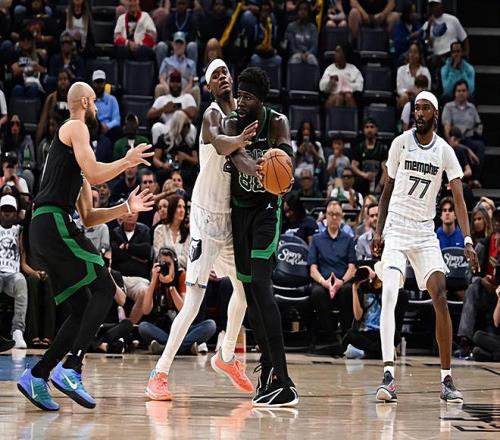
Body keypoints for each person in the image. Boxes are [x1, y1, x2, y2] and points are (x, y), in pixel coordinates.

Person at [16, 81, 154, 412]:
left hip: (47, 227)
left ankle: (37, 375)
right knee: (105, 286)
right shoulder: (75, 126)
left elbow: (90, 216)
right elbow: (94, 173)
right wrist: (126, 161)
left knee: (81, 307)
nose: (97, 108)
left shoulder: (72, 155)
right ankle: (73, 367)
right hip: (53, 222)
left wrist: (126, 207)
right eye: (95, 102)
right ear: (86, 102)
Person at [145, 59, 256, 401]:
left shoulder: (243, 115)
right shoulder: (211, 115)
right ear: (208, 87)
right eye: (215, 76)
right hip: (206, 217)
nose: (223, 77)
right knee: (193, 302)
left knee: (245, 292)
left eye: (226, 72)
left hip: (230, 217)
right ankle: (159, 372)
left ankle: (226, 356)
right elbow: (221, 144)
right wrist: (241, 139)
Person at [372, 90, 478, 404]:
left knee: (440, 293)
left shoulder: (445, 151)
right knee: (389, 292)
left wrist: (468, 239)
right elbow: (386, 190)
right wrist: (378, 231)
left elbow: (459, 199)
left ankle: (446, 379)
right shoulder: (399, 143)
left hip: (423, 231)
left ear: (435, 113)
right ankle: (388, 376)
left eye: (424, 108)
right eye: (416, 108)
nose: (418, 113)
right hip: (397, 226)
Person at [219, 66, 298, 406]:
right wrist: (257, 167)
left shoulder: (277, 122)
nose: (240, 102)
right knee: (251, 294)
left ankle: (283, 379)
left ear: (261, 101)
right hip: (240, 213)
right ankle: (267, 371)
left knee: (263, 288)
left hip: (266, 211)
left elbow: (287, 157)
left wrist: (282, 168)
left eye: (248, 97)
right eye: (239, 95)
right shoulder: (232, 123)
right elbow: (235, 155)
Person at [139, 248, 216, 354]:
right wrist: (153, 280)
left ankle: (166, 348)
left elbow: (183, 309)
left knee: (210, 325)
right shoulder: (156, 277)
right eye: (162, 264)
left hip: (182, 328)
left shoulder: (181, 275)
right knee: (143, 327)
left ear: (175, 264)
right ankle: (185, 347)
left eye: (168, 264)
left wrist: (171, 286)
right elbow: (146, 310)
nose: (165, 267)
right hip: (163, 329)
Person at [309, 200, 356, 343]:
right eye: (331, 214)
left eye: (337, 214)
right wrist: (325, 283)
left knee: (348, 290)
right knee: (316, 293)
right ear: (325, 216)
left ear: (342, 216)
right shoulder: (316, 239)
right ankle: (330, 337)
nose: (334, 217)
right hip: (323, 282)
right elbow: (312, 269)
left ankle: (346, 335)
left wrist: (341, 282)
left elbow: (352, 267)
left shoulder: (348, 239)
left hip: (343, 282)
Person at [0, 194, 28, 348]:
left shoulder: (19, 230)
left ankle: (17, 331)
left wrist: (22, 213)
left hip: (13, 275)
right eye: (4, 210)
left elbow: (28, 215)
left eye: (10, 210)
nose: (6, 213)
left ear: (16, 213)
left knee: (21, 280)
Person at [319, 44, 363, 108]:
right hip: (334, 95)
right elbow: (322, 87)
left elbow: (360, 85)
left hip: (349, 96)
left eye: (338, 51)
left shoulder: (353, 69)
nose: (335, 54)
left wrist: (347, 88)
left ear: (344, 54)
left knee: (348, 97)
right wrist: (330, 83)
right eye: (335, 51)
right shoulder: (330, 69)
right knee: (338, 97)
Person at [396, 42, 431, 109]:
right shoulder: (401, 70)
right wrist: (410, 92)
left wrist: (418, 93)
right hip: (406, 96)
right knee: (404, 97)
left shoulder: (425, 70)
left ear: (419, 55)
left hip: (421, 96)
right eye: (410, 52)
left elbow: (428, 87)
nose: (412, 54)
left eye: (415, 52)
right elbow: (399, 89)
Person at [286, 0, 319, 65]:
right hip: (295, 54)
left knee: (311, 58)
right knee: (296, 59)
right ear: (297, 11)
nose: (302, 12)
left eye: (305, 9)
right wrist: (300, 54)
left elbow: (314, 46)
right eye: (300, 9)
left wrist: (308, 53)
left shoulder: (313, 27)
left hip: (309, 54)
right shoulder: (291, 26)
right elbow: (291, 46)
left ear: (308, 12)